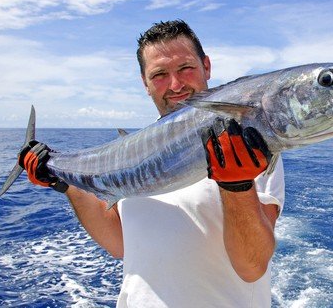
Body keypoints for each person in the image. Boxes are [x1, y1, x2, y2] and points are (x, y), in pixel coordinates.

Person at [19, 20, 285, 307]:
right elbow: (119, 242)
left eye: (186, 68)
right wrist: (65, 184)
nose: (176, 84)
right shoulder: (134, 152)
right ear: (145, 83)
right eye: (159, 74)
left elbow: (252, 267)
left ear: (206, 66)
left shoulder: (252, 146)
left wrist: (237, 185)